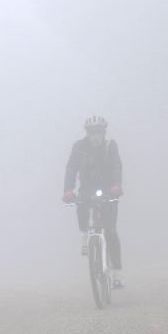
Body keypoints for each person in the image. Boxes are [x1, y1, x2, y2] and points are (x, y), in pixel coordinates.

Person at [63, 115, 124, 288]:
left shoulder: (110, 146)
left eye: (99, 133)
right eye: (92, 133)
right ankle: (85, 234)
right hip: (87, 190)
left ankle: (117, 273)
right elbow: (71, 169)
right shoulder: (79, 147)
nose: (96, 136)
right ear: (87, 134)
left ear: (104, 133)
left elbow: (116, 167)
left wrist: (116, 186)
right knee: (81, 207)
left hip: (109, 190)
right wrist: (68, 190)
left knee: (111, 231)